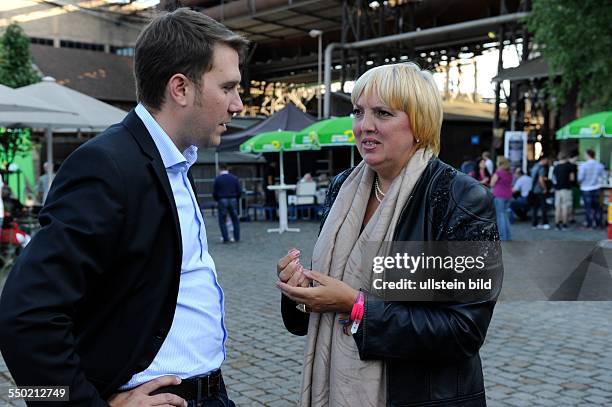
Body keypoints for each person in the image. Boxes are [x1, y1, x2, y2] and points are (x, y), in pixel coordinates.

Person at [0, 8, 248, 407]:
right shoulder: (108, 165)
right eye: (229, 88)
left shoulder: (174, 162)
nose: (238, 104)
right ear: (180, 89)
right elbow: (23, 317)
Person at [275, 63, 501, 407]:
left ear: (419, 123)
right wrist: (301, 291)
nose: (365, 125)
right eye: (358, 111)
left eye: (382, 113)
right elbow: (323, 305)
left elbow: (463, 330)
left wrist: (357, 308)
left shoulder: (458, 198)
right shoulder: (343, 188)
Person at [578, 149, 606, 229]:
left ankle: (589, 224)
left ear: (587, 155)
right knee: (598, 207)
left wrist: (580, 183)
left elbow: (580, 178)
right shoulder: (599, 165)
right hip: (597, 188)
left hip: (586, 188)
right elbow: (604, 177)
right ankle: (598, 224)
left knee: (588, 208)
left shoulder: (583, 166)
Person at [213, 165, 241, 243]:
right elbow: (239, 190)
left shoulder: (218, 179)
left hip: (222, 200)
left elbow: (215, 192)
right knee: (235, 219)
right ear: (227, 169)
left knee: (222, 220)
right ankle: (237, 237)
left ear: (220, 169)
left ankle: (225, 238)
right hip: (233, 199)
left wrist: (217, 200)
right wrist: (236, 198)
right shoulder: (234, 178)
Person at [491, 156, 513, 240]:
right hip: (508, 195)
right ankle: (508, 236)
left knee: (500, 216)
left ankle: (503, 236)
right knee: (505, 215)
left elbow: (492, 183)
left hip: (499, 195)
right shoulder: (509, 173)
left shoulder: (498, 172)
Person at [552, 152, 576, 230]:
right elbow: (572, 178)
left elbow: (553, 178)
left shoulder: (556, 167)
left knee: (558, 206)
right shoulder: (569, 166)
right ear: (566, 157)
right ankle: (565, 224)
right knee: (565, 206)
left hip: (557, 189)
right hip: (567, 188)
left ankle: (557, 224)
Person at [530, 156, 550, 229]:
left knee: (535, 208)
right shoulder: (541, 168)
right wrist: (545, 188)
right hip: (540, 190)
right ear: (543, 160)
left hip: (534, 190)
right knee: (543, 207)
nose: (547, 162)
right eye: (547, 160)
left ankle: (534, 223)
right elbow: (540, 180)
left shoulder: (534, 166)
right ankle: (545, 223)